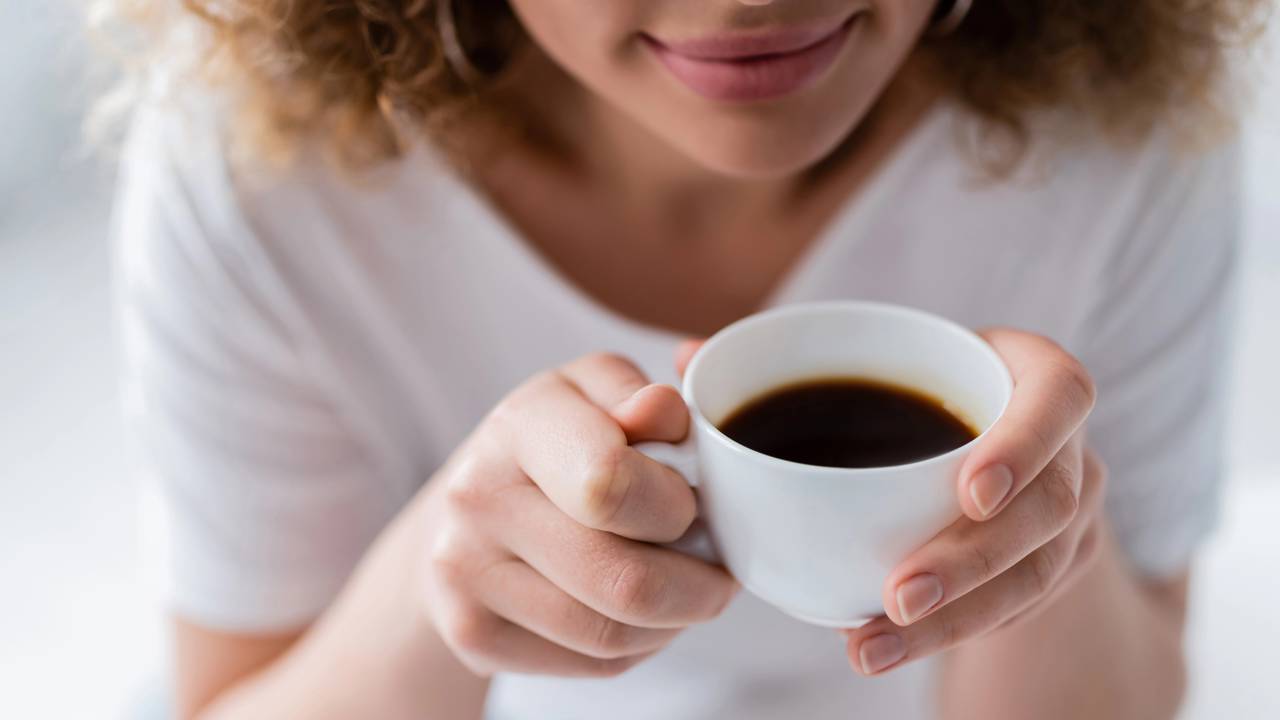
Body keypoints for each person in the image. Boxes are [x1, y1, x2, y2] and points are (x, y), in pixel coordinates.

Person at [108, 0, 1257, 717]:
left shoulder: (1117, 131)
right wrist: (436, 583)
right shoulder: (268, 181)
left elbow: (1134, 689)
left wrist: (1048, 526)